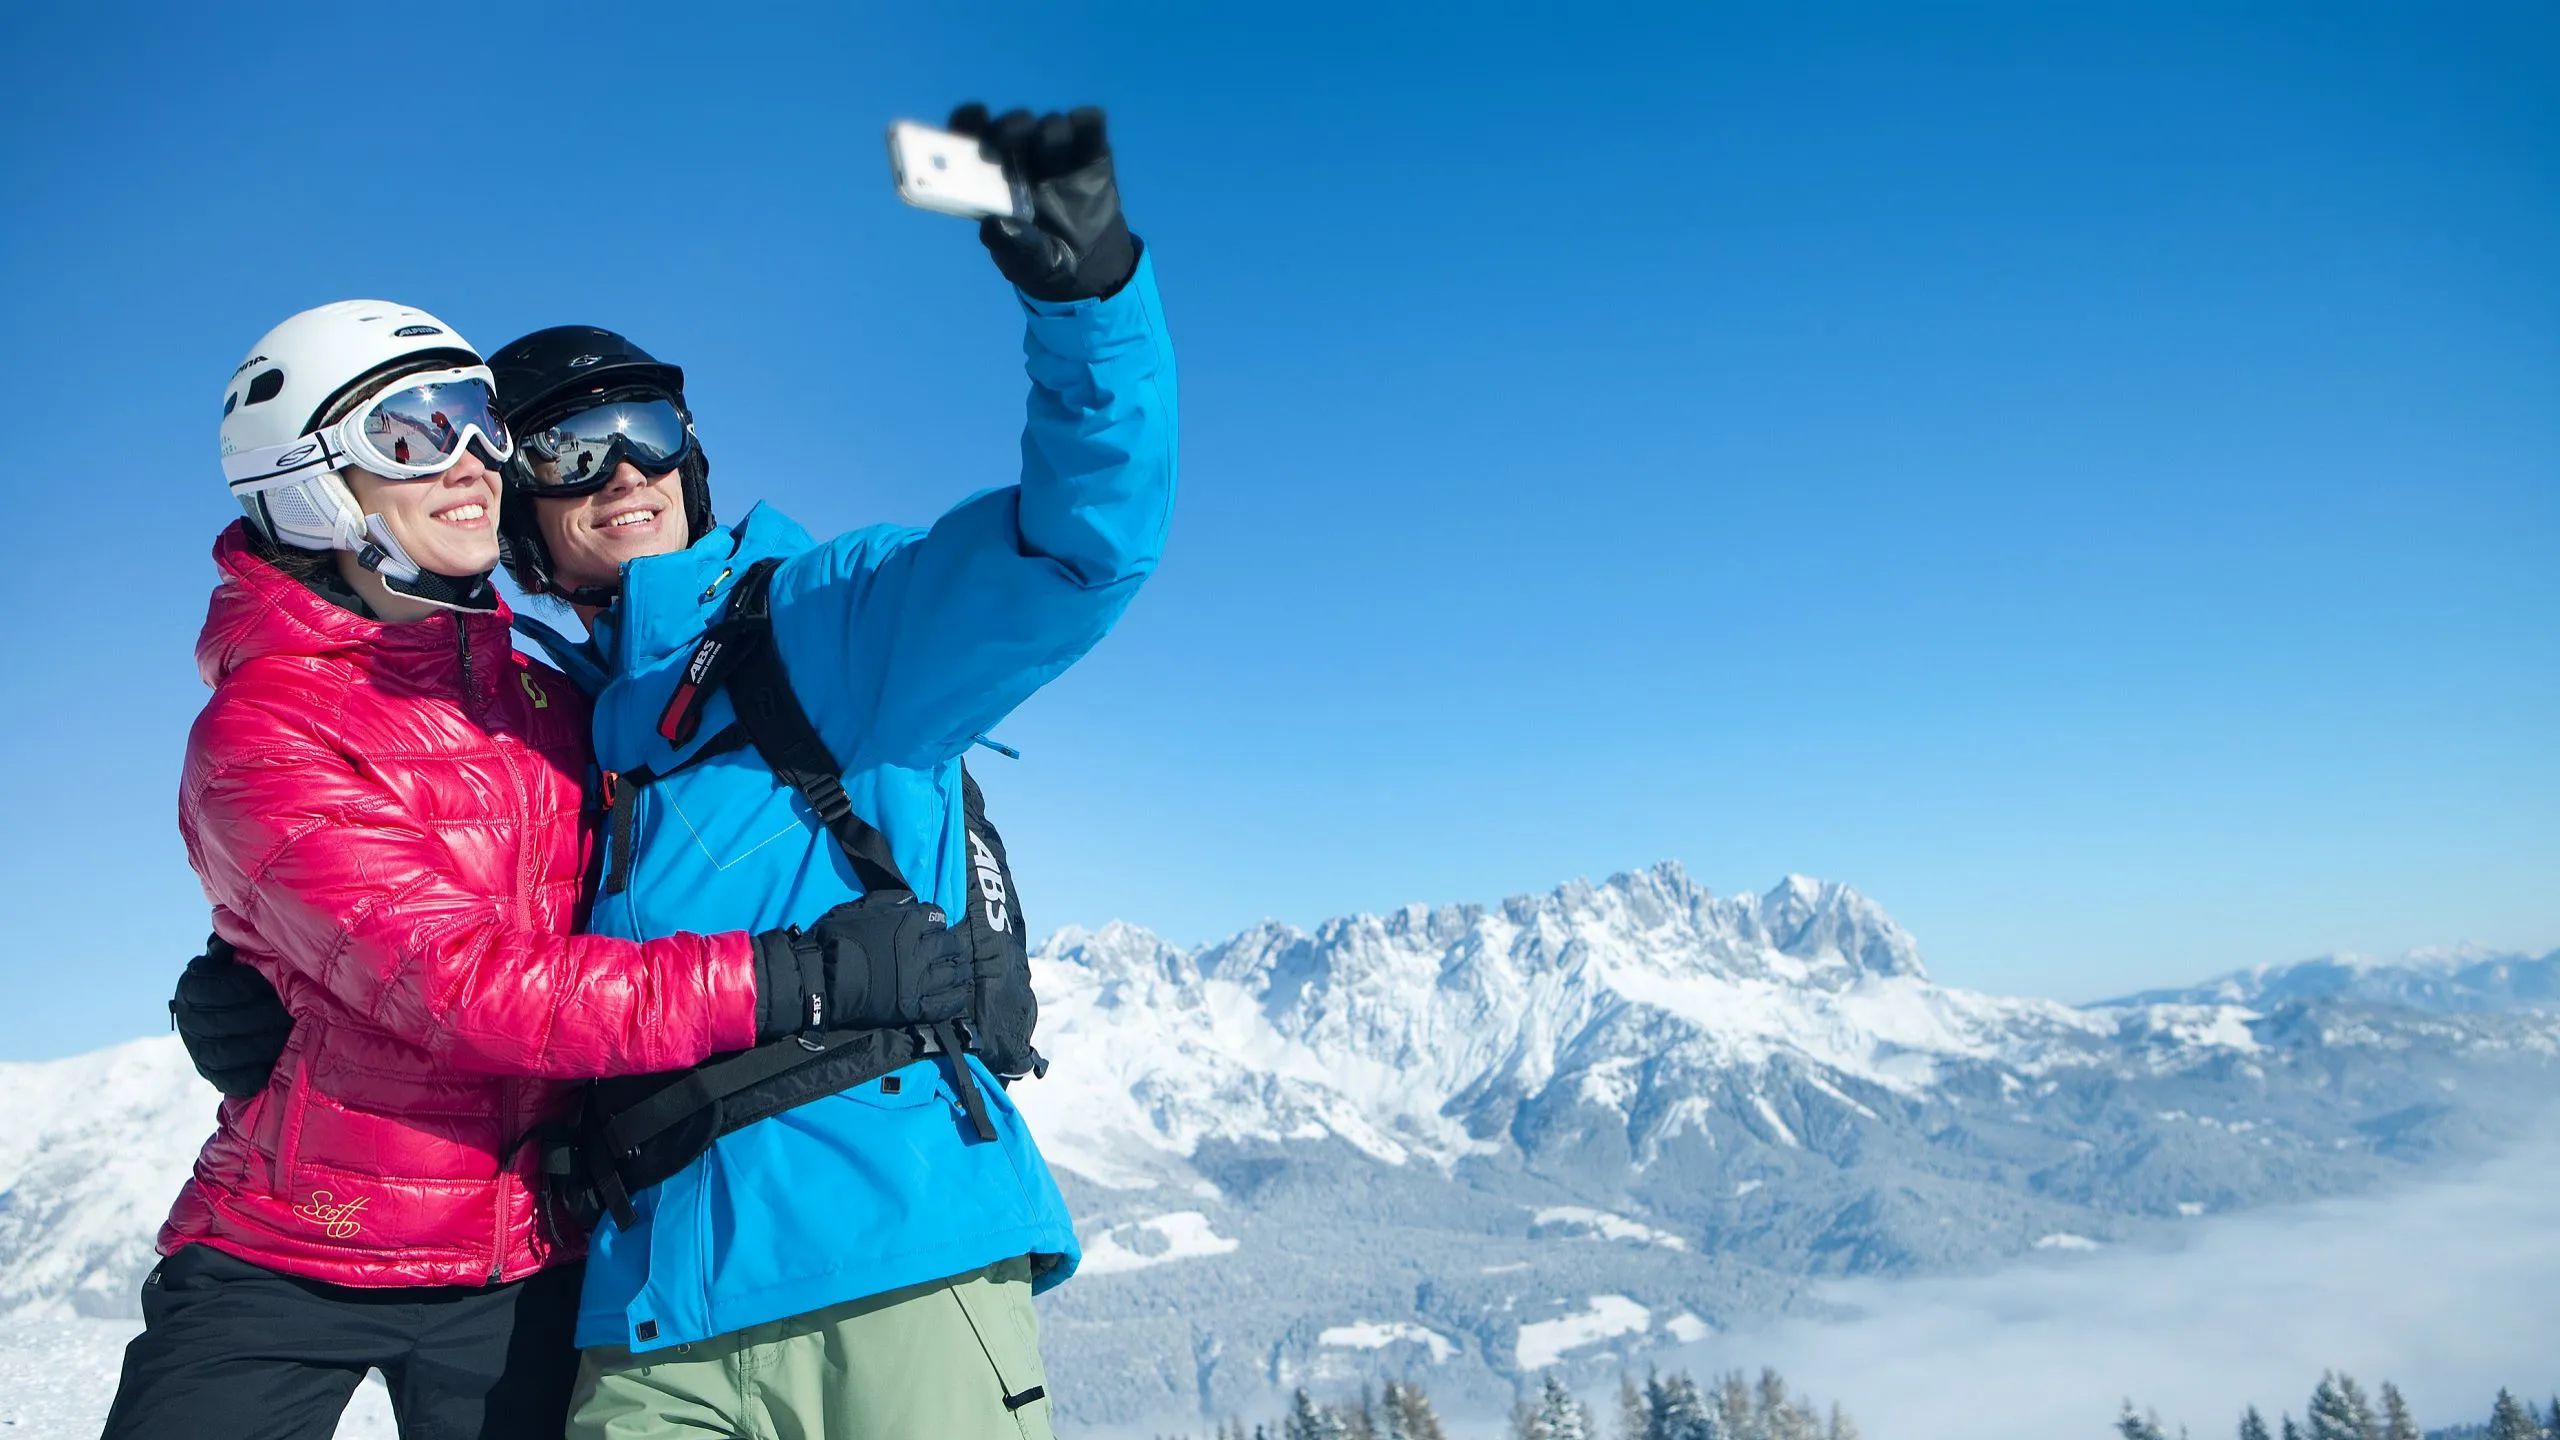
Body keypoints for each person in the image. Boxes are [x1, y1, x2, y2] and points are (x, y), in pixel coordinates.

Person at [173, 101, 1172, 1438]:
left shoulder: (829, 623)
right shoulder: (556, 724)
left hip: (889, 1259)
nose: (624, 468)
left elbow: (1080, 545)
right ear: (519, 519)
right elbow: (448, 937)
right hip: (645, 1309)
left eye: (650, 424)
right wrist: (269, 995)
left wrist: (1088, 297)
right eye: (567, 453)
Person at [115, 304, 972, 1440]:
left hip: (526, 1255)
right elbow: (460, 984)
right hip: (295, 1250)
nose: (473, 460)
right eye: (413, 436)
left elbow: (644, 880)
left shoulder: (549, 696)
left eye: (478, 424)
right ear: (310, 483)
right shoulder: (264, 723)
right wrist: (797, 980)